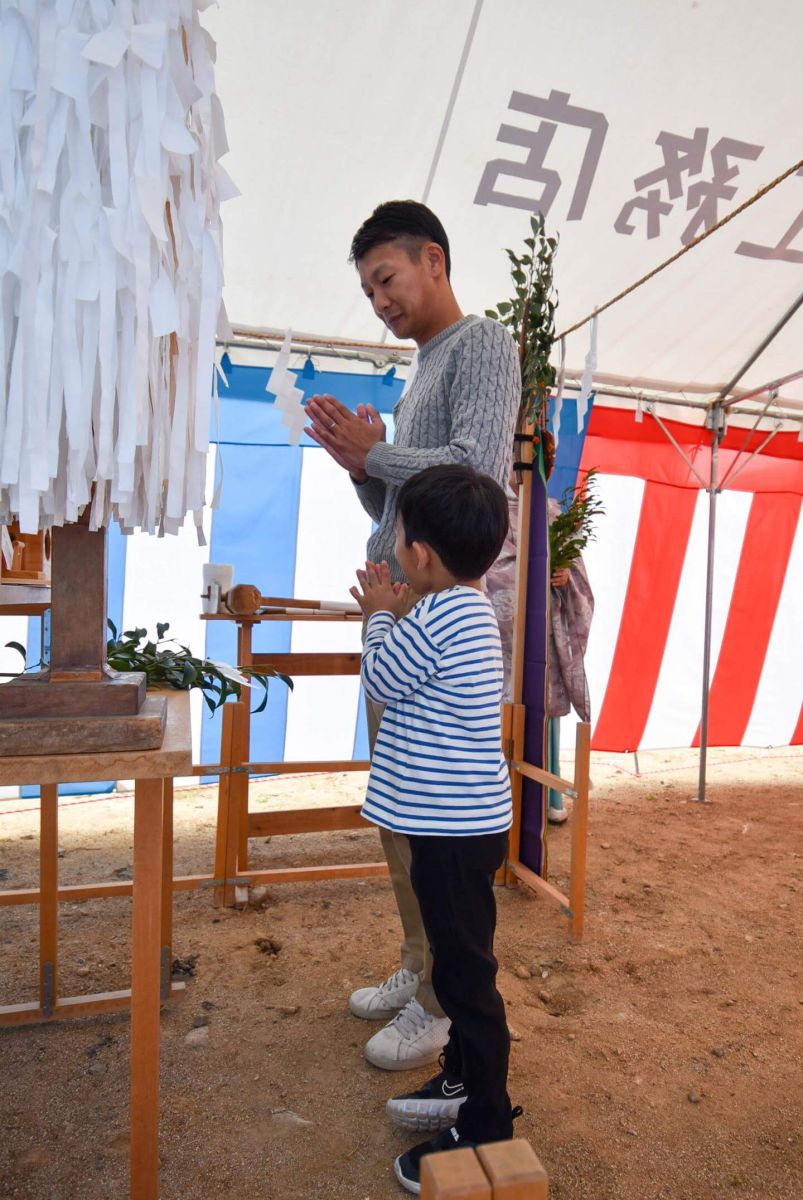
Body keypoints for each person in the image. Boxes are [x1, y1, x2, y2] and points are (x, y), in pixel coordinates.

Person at [305, 200, 520, 1071]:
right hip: (401, 600)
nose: (379, 301)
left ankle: (437, 1001)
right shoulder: (421, 367)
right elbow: (406, 502)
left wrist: (376, 455)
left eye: (385, 279)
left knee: (431, 815)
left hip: (438, 610)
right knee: (399, 806)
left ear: (432, 259)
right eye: (366, 291)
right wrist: (366, 473)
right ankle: (417, 963)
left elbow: (477, 474)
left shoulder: (483, 345)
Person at [349, 465, 521, 1194]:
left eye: (400, 541)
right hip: (455, 827)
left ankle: (485, 1117)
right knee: (456, 967)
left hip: (452, 834)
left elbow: (381, 680)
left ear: (419, 555)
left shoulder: (443, 614)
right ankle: (458, 1082)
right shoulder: (460, 607)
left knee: (465, 977)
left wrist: (377, 616)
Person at [486, 486, 594, 821]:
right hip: (506, 637)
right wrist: (529, 573)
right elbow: (491, 569)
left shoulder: (551, 510)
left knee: (546, 714)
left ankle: (550, 799)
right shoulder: (491, 507)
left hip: (544, 625)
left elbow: (575, 571)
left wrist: (564, 576)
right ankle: (508, 802)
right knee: (506, 713)